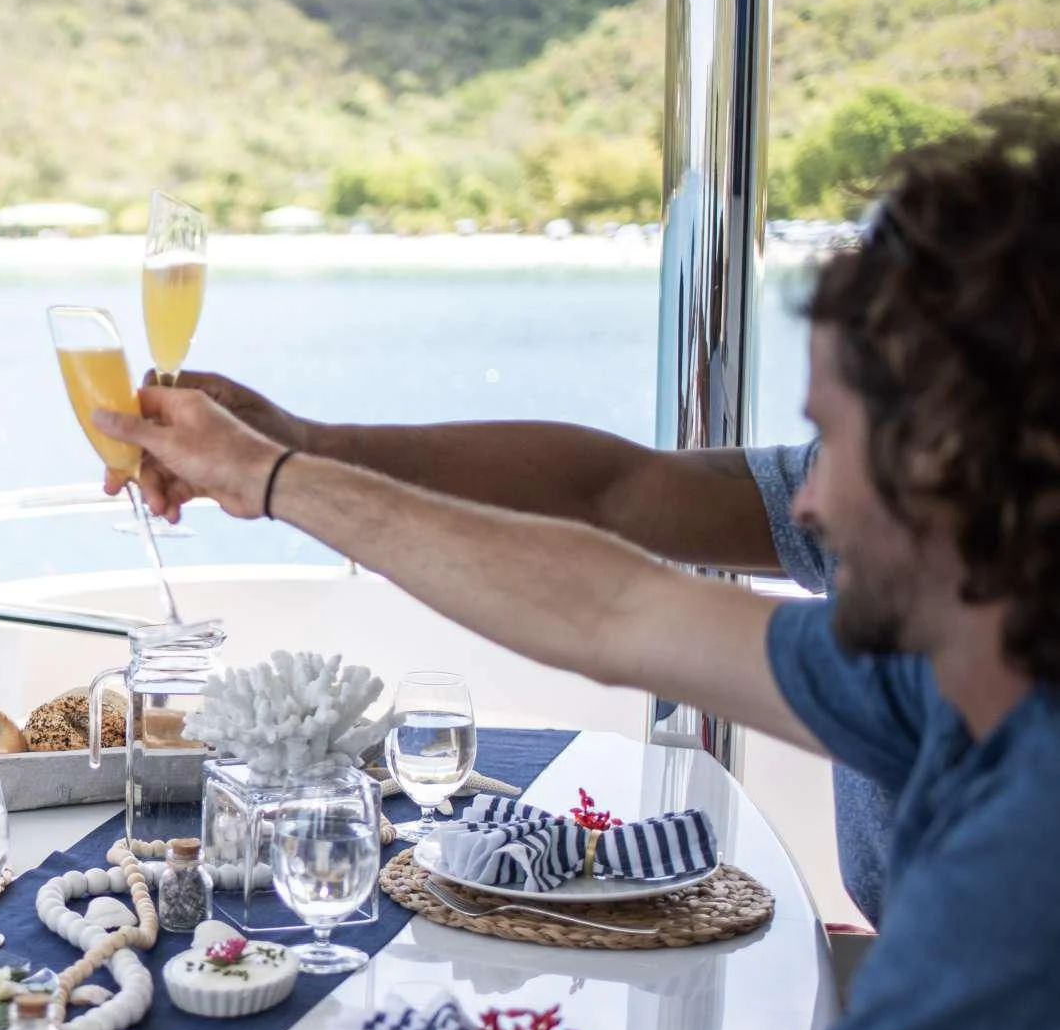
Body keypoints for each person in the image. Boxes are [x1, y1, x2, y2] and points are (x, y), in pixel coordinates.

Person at [91, 105, 1060, 1030]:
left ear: (964, 469)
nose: (814, 513)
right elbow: (617, 600)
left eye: (831, 445)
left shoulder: (1032, 853)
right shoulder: (958, 671)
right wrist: (282, 470)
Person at [138, 382, 884, 924]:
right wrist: (302, 446)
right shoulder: (913, 523)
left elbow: (612, 609)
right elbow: (619, 491)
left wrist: (273, 480)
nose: (810, 509)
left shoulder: (934, 665)